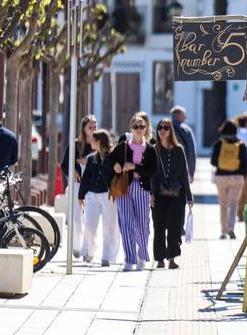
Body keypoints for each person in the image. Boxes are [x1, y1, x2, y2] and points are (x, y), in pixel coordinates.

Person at [109, 112, 157, 270]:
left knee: (142, 224)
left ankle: (142, 255)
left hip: (142, 189)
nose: (138, 129)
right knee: (126, 223)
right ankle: (129, 259)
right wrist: (116, 165)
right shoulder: (122, 146)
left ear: (145, 129)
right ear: (131, 128)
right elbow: (109, 161)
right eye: (135, 127)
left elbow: (152, 171)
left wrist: (135, 167)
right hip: (124, 187)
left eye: (141, 127)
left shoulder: (150, 149)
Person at [150, 118, 193, 269]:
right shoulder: (153, 149)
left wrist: (189, 196)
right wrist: (151, 194)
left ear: (170, 131)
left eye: (166, 128)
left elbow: (184, 173)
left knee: (175, 226)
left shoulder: (178, 150)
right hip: (159, 194)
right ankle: (160, 258)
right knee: (159, 226)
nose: (162, 130)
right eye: (160, 128)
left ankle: (172, 258)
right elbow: (150, 174)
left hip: (177, 194)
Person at [78, 129, 120, 266]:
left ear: (99, 141)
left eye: (93, 139)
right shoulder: (91, 158)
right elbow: (86, 178)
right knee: (90, 225)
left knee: (109, 226)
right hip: (92, 195)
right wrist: (81, 196)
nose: (90, 141)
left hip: (108, 195)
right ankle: (88, 252)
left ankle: (107, 256)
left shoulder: (112, 157)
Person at [210, 118, 247, 239]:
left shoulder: (219, 143)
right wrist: (242, 175)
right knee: (233, 204)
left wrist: (222, 165)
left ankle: (223, 232)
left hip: (221, 177)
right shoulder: (241, 144)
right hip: (237, 177)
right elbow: (245, 162)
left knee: (223, 204)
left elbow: (213, 161)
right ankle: (231, 229)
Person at [61, 114, 98, 188]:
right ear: (84, 129)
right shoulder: (75, 145)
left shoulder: (99, 145)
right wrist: (72, 171)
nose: (93, 130)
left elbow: (103, 165)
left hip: (94, 186)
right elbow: (64, 165)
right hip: (77, 185)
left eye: (95, 127)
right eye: (90, 127)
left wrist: (88, 163)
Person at [170, 106, 198, 181]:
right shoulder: (186, 130)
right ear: (178, 116)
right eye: (183, 115)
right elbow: (191, 152)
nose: (185, 117)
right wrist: (191, 172)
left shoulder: (164, 128)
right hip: (182, 168)